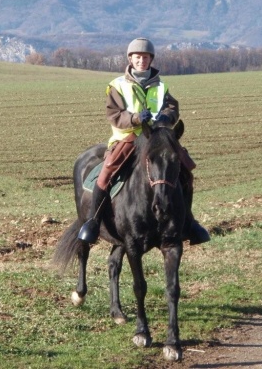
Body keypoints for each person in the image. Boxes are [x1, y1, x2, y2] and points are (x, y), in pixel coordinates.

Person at [78, 37, 210, 245]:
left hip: (157, 137)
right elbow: (114, 114)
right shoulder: (117, 85)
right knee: (106, 173)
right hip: (128, 138)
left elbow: (171, 106)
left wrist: (166, 117)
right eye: (138, 57)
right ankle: (93, 222)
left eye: (146, 57)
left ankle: (189, 222)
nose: (142, 60)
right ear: (131, 59)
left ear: (151, 59)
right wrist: (135, 118)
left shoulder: (160, 85)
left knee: (186, 169)